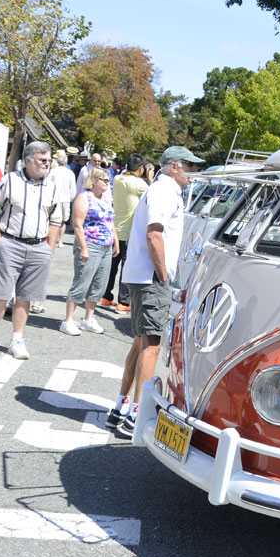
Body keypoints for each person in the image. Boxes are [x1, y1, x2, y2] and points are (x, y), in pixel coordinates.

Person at [106, 146, 204, 436]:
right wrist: (163, 274)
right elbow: (154, 232)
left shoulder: (161, 189)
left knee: (140, 343)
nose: (194, 172)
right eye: (190, 166)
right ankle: (136, 415)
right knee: (151, 345)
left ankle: (121, 407)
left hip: (142, 275)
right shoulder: (164, 191)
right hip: (151, 277)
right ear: (174, 166)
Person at [0, 141, 63, 360]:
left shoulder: (52, 186)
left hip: (38, 247)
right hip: (11, 243)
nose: (47, 163)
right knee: (0, 294)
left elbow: (56, 220)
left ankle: (17, 339)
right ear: (28, 160)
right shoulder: (10, 181)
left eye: (49, 160)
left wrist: (49, 248)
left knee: (26, 297)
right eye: (42, 159)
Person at [59, 168, 118, 336]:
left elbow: (110, 221)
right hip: (90, 244)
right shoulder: (84, 197)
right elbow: (77, 224)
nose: (108, 183)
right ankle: (68, 320)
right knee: (82, 282)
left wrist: (115, 240)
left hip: (105, 246)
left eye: (108, 180)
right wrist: (84, 247)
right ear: (94, 181)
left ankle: (88, 319)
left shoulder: (105, 198)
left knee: (99, 284)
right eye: (105, 180)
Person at [102, 153, 148, 313]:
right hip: (130, 232)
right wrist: (149, 177)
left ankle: (106, 297)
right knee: (126, 267)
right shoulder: (140, 184)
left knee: (112, 266)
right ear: (141, 168)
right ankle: (124, 302)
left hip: (115, 228)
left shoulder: (118, 179)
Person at [49, 150, 77, 248]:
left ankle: (51, 239)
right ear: (65, 162)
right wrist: (70, 199)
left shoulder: (52, 172)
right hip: (65, 199)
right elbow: (73, 189)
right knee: (63, 221)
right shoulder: (70, 173)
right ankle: (60, 241)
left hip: (54, 198)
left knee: (51, 220)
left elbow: (48, 185)